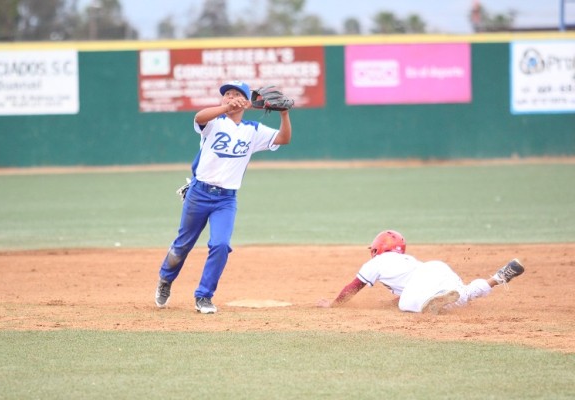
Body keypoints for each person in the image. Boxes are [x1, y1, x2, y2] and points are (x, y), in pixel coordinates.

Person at [155, 80, 292, 314]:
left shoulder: (252, 130)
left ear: (247, 102)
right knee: (182, 246)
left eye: (235, 94)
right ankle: (165, 280)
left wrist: (284, 114)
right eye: (226, 94)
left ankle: (204, 296)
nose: (230, 97)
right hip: (198, 194)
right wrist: (226, 108)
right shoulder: (213, 122)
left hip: (226, 200)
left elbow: (283, 139)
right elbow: (199, 116)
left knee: (220, 244)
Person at [317, 230, 525, 314]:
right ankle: (497, 278)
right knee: (464, 295)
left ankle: (435, 302)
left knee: (404, 304)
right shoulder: (408, 260)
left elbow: (353, 287)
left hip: (421, 284)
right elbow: (414, 285)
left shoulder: (377, 262)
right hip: (436, 268)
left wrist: (334, 305)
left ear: (378, 248)